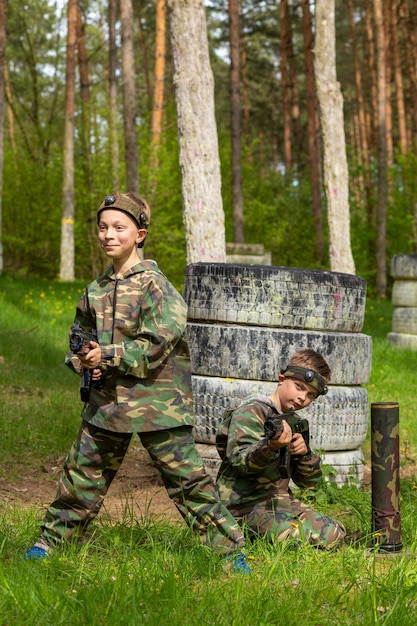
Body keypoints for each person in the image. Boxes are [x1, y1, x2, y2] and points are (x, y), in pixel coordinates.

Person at [25, 192, 250, 572]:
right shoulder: (94, 290)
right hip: (107, 405)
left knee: (188, 483)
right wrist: (82, 361)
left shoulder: (156, 286)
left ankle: (231, 555)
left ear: (140, 234)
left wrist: (107, 355)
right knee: (81, 476)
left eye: (119, 227)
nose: (108, 235)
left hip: (157, 405)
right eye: (102, 227)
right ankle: (49, 544)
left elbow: (158, 343)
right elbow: (77, 341)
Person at [215, 349, 346, 549]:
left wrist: (304, 455)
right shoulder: (251, 412)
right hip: (242, 507)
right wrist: (270, 447)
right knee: (297, 539)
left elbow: (309, 484)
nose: (303, 397)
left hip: (278, 504)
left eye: (311, 394)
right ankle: (238, 534)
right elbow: (241, 463)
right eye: (299, 387)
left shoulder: (293, 421)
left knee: (334, 533)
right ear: (281, 379)